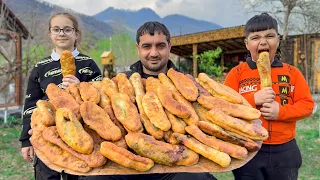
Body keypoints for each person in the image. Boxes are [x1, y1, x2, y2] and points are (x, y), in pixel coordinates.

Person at [79, 21, 217, 180]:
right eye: (147, 46)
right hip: (127, 164)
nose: (153, 53)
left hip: (173, 163)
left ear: (169, 47)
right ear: (138, 48)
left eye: (160, 46)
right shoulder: (120, 82)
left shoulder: (187, 85)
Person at [224, 13, 314, 180]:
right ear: (247, 44)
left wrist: (280, 112)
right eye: (256, 37)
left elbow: (307, 105)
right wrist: (252, 100)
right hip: (248, 148)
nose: (263, 42)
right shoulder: (236, 74)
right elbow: (224, 107)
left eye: (269, 36)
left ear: (278, 41)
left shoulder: (292, 73)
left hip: (285, 150)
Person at [19, 12, 102, 180]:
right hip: (46, 136)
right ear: (50, 34)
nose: (61, 33)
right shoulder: (40, 67)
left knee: (79, 175)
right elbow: (31, 104)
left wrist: (80, 88)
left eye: (67, 29)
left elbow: (100, 99)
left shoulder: (88, 64)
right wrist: (26, 141)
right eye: (56, 29)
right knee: (47, 175)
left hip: (81, 134)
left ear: (76, 34)